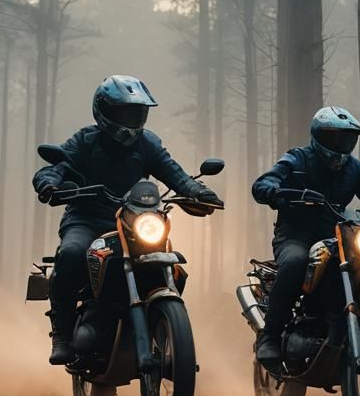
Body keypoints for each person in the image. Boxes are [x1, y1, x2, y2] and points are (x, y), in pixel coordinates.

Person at [33, 74, 223, 365]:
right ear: (104, 111)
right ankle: (62, 335)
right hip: (87, 219)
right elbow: (56, 167)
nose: (131, 120)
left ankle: (163, 326)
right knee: (71, 253)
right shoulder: (85, 140)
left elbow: (175, 174)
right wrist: (49, 183)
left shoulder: (147, 143)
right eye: (124, 113)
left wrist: (199, 191)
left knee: (168, 262)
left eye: (137, 113)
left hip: (133, 221)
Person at [251, 106, 360, 370]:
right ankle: (269, 336)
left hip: (338, 239)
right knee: (295, 262)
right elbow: (266, 182)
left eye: (347, 139)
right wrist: (275, 191)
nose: (341, 146)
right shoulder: (298, 158)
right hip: (295, 236)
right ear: (318, 136)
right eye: (334, 138)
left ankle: (343, 332)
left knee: (359, 267)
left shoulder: (355, 169)